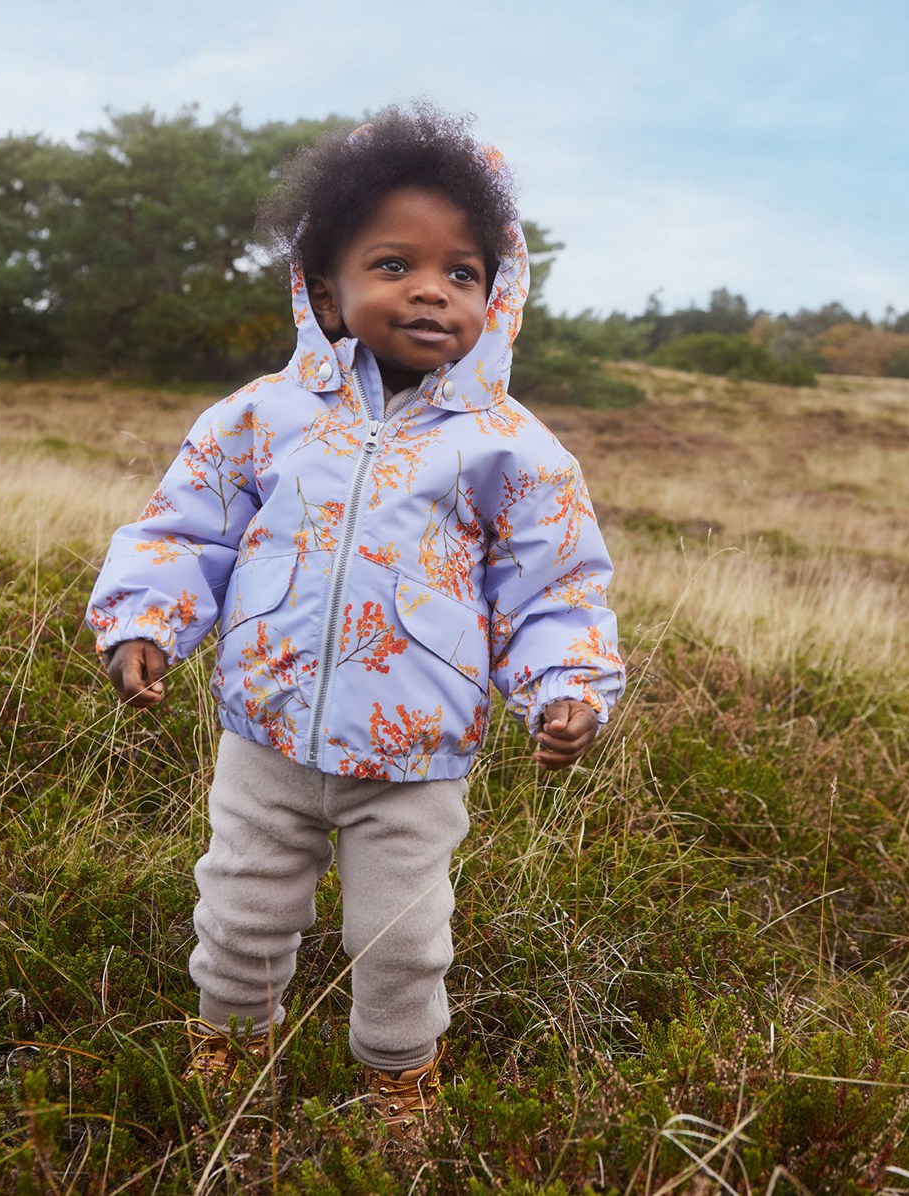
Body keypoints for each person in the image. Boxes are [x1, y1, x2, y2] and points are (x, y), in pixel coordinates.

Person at [86, 103, 624, 1141]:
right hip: (265, 735)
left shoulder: (509, 447)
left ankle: (397, 1078)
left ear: (497, 297)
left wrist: (566, 686)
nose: (429, 288)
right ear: (323, 287)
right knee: (239, 907)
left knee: (400, 938)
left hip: (413, 757)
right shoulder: (257, 417)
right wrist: (145, 620)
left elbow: (552, 585)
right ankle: (230, 1050)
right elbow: (183, 526)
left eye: (461, 272)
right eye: (393, 263)